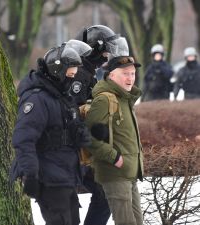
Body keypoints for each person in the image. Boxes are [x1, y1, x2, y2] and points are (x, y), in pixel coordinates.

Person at [10, 40, 92, 225]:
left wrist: (86, 135)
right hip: (49, 177)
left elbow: (70, 127)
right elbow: (24, 139)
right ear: (57, 71)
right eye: (69, 74)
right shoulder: (37, 99)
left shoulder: (62, 97)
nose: (72, 79)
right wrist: (30, 174)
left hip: (66, 174)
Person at [73, 25, 129, 225]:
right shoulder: (78, 74)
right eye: (106, 51)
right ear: (94, 49)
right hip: (70, 152)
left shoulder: (86, 72)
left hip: (80, 148)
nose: (108, 56)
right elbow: (72, 112)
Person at [85, 56, 144, 225]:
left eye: (133, 73)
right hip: (115, 174)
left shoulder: (125, 98)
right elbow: (88, 137)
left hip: (130, 173)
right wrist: (115, 158)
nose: (130, 78)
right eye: (125, 73)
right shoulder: (105, 100)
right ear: (111, 75)